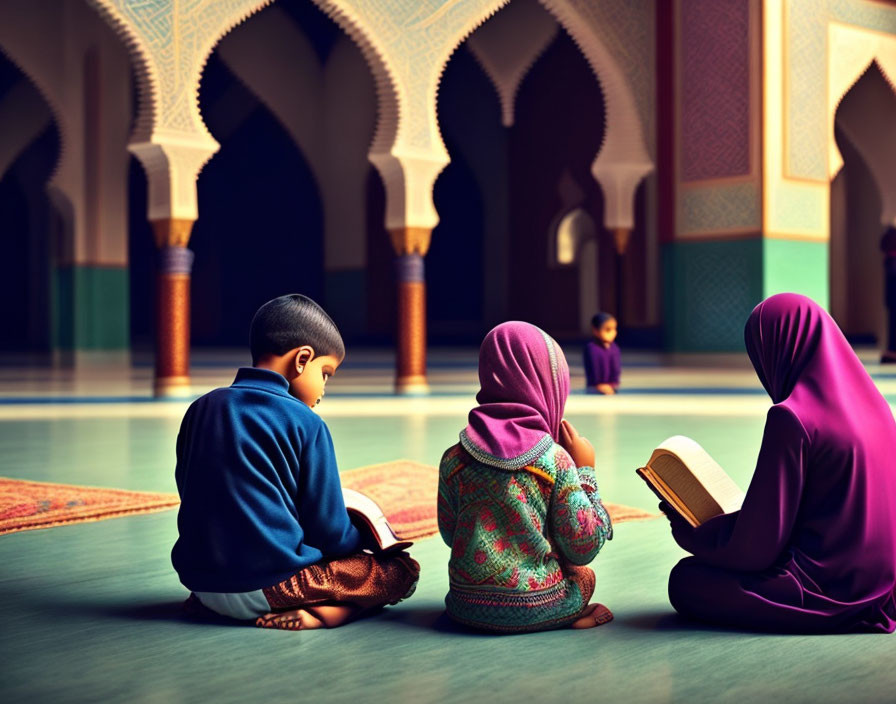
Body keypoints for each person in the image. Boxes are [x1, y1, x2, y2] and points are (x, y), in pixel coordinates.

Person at [172, 294, 419, 631]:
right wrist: (359, 540)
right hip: (275, 587)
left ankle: (216, 607)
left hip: (202, 585)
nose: (323, 389)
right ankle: (330, 614)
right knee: (400, 572)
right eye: (326, 374)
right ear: (302, 359)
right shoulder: (307, 422)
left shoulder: (200, 408)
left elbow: (188, 488)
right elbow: (329, 533)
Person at [665, 293, 896, 633]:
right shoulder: (879, 408)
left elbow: (757, 550)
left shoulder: (791, 417)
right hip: (885, 583)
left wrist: (692, 531)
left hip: (827, 587)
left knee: (685, 580)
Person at [437, 321, 614, 633]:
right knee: (583, 575)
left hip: (464, 606)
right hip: (537, 604)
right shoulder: (554, 460)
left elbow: (451, 534)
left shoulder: (454, 458)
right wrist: (585, 471)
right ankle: (566, 615)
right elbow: (582, 547)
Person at [583, 312, 620, 394]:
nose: (612, 333)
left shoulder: (614, 348)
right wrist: (598, 384)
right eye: (608, 330)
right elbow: (594, 368)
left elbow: (616, 368)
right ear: (595, 330)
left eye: (614, 329)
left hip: (612, 387)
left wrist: (614, 383)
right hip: (595, 388)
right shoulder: (592, 348)